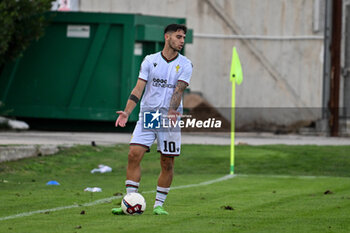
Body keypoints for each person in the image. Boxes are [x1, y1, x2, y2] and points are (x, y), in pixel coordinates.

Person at [112, 24, 192, 215]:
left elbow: (179, 90)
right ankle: (130, 201)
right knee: (133, 154)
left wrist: (172, 110)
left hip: (169, 119)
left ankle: (158, 205)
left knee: (167, 163)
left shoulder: (186, 64)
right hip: (150, 116)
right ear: (167, 37)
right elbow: (138, 88)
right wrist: (127, 112)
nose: (182, 41)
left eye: (183, 38)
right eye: (179, 37)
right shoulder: (150, 60)